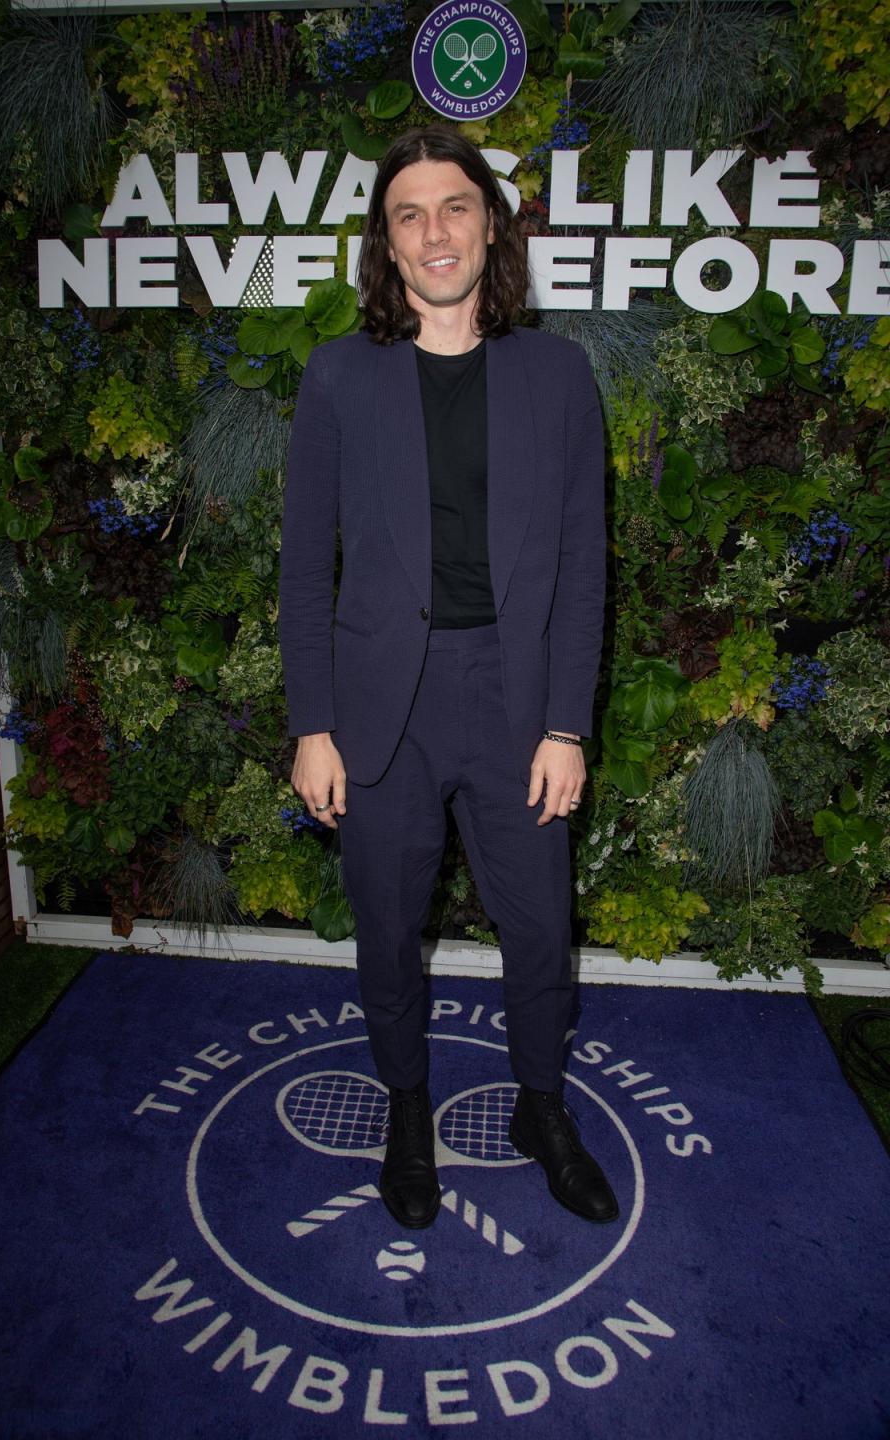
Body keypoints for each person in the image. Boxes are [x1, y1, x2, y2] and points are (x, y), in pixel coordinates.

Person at [278, 125, 618, 1231]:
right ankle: (408, 1111)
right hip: (383, 707)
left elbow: (581, 565)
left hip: (514, 702)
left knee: (539, 927)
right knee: (387, 927)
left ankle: (538, 1105)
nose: (435, 231)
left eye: (455, 207)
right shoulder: (338, 377)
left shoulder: (557, 375)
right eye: (410, 213)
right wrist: (312, 723)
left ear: (492, 223)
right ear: (387, 240)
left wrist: (567, 725)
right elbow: (302, 563)